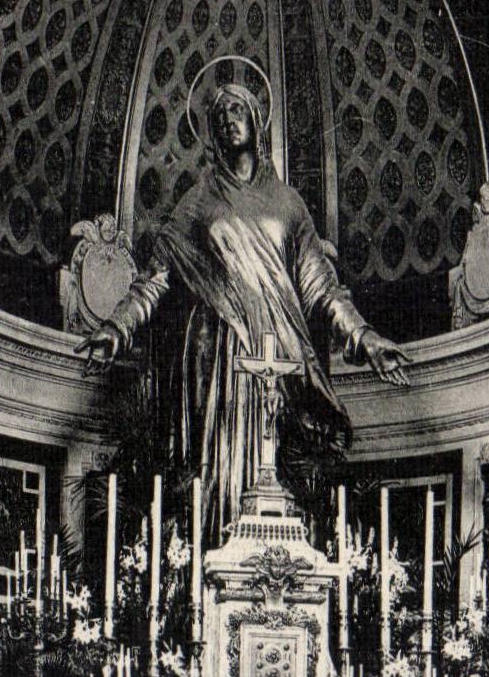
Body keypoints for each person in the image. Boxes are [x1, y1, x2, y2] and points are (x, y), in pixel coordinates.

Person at [78, 71, 409, 542]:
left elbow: (322, 288)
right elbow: (156, 278)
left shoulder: (288, 206)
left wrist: (366, 338)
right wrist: (118, 326)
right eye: (219, 116)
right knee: (222, 464)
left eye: (238, 110)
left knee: (278, 464)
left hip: (279, 357)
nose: (229, 121)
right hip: (219, 360)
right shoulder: (198, 205)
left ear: (257, 119)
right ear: (211, 133)